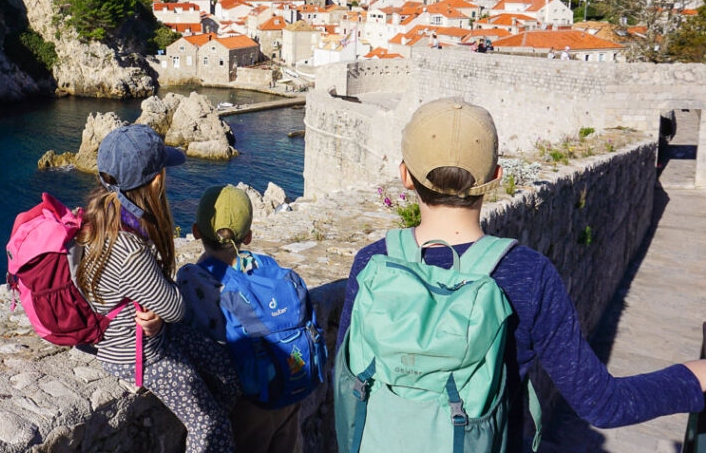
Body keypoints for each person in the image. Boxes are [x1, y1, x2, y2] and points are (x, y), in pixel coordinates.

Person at [336, 98, 706, 451]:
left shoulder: (372, 263)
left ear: (405, 176)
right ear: (495, 178)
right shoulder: (528, 274)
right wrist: (694, 378)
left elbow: (346, 382)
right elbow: (603, 404)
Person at [75, 124, 240, 453]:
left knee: (227, 374)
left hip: (142, 333)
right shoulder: (128, 248)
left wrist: (155, 307)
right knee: (209, 424)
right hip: (136, 353)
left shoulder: (99, 218)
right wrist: (162, 305)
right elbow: (175, 308)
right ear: (156, 182)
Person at [177, 185, 304, 453]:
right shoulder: (266, 267)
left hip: (249, 401)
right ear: (248, 236)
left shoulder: (191, 277)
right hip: (288, 386)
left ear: (196, 231)